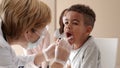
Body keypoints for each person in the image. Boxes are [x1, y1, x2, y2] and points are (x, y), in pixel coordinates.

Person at [0, 0, 71, 68]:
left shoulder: (5, 47)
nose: (42, 36)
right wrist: (58, 63)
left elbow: (15, 62)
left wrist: (45, 55)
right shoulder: (1, 49)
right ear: (27, 31)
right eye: (42, 31)